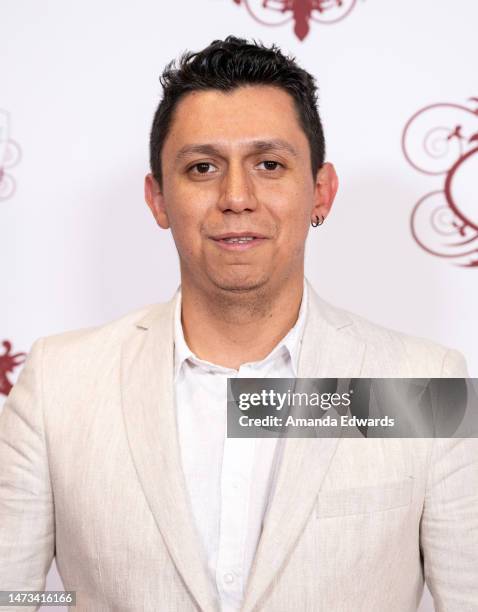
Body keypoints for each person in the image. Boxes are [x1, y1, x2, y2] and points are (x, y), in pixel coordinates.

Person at [0, 36, 476, 612]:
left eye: (269, 165)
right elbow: (12, 597)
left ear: (320, 191)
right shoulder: (59, 384)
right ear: (157, 199)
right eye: (202, 167)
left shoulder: (425, 386)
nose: (235, 197)